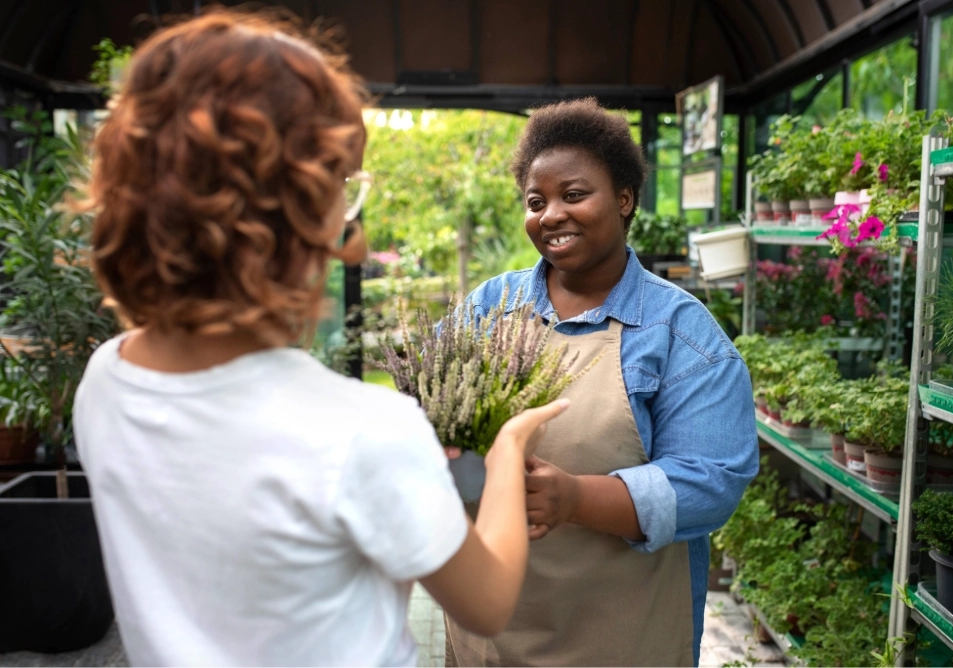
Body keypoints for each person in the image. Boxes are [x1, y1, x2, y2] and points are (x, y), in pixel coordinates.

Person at [73, 11, 568, 666]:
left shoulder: (107, 378)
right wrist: (507, 448)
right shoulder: (362, 429)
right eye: (339, 188)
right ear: (299, 217)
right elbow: (487, 600)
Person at [446, 98, 759, 667]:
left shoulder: (681, 335)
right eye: (536, 202)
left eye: (573, 194)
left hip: (621, 636)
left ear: (624, 198)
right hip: (493, 632)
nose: (551, 215)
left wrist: (573, 499)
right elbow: (431, 409)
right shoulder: (487, 308)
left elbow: (712, 481)